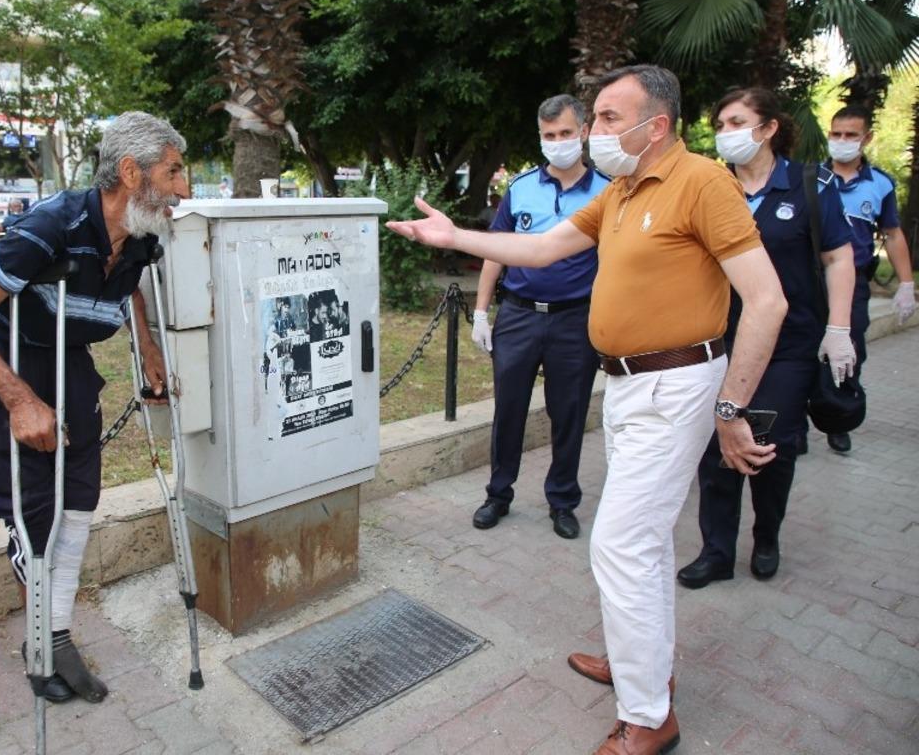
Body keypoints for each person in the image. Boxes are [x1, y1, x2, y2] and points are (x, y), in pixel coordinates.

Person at [387, 65, 787, 755]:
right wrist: (456, 238)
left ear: (653, 125)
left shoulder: (702, 182)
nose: (594, 131)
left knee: (620, 544)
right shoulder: (625, 190)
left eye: (606, 117)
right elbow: (542, 247)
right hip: (631, 387)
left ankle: (649, 718)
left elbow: (768, 300)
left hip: (677, 384)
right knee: (646, 540)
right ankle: (644, 670)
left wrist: (732, 408)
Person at [0, 111, 187, 704]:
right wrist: (21, 401)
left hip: (71, 363)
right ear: (131, 172)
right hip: (11, 363)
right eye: (174, 172)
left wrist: (146, 347)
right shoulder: (48, 228)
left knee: (77, 507)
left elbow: (130, 285)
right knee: (34, 518)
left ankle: (54, 638)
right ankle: (45, 642)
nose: (185, 189)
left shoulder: (142, 232)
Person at [676, 88, 855, 591]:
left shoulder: (807, 185)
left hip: (788, 345)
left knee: (769, 442)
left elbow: (839, 257)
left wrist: (838, 330)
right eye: (720, 123)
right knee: (717, 445)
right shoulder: (713, 185)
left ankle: (768, 535)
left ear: (769, 127)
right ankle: (716, 551)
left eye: (737, 121)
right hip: (718, 338)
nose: (725, 132)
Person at [469, 94, 608, 539]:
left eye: (566, 133)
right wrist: (479, 312)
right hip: (519, 316)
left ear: (583, 132)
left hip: (575, 320)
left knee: (568, 414)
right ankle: (498, 494)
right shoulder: (522, 186)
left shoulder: (608, 190)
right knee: (508, 409)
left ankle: (563, 500)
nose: (558, 142)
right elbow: (495, 250)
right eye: (549, 136)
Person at [822, 105, 916, 453]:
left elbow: (892, 234)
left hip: (855, 281)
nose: (842, 141)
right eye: (836, 134)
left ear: (866, 138)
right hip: (812, 278)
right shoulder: (811, 178)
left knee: (849, 349)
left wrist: (906, 284)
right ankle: (796, 423)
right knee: (802, 345)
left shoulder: (880, 184)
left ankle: (838, 419)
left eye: (850, 135)